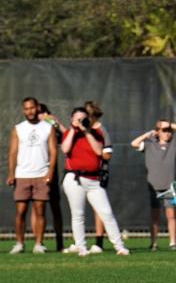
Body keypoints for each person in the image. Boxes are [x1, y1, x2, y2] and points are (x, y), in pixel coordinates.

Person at [60, 107, 129, 256]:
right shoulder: (68, 133)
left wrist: (86, 131)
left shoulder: (96, 134)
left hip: (94, 180)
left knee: (106, 213)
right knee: (78, 214)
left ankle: (119, 246)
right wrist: (73, 129)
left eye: (83, 118)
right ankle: (81, 247)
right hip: (74, 178)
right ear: (71, 120)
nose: (80, 121)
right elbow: (65, 149)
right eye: (77, 118)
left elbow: (99, 151)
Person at [6, 97, 57, 254]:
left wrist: (49, 173)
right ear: (23, 110)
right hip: (22, 175)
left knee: (40, 210)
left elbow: (53, 151)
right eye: (26, 109)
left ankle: (38, 244)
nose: (30, 111)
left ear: (37, 108)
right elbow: (13, 152)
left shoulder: (48, 127)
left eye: (32, 108)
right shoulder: (18, 128)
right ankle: (19, 244)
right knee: (20, 211)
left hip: (41, 174)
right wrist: (11, 173)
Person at [131, 118, 176, 250]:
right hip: (154, 186)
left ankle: (172, 243)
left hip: (169, 187)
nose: (167, 133)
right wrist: (147, 135)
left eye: (169, 131)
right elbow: (134, 143)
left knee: (171, 215)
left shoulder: (174, 142)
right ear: (157, 132)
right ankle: (153, 243)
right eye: (164, 131)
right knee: (154, 216)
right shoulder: (150, 144)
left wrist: (168, 124)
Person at [84, 101, 113, 254]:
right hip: (81, 173)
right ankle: (79, 242)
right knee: (78, 208)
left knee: (99, 208)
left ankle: (99, 242)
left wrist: (95, 150)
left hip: (98, 174)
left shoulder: (102, 131)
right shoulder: (82, 130)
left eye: (88, 115)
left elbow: (107, 155)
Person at [37, 104, 65, 251]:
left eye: (44, 113)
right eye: (40, 113)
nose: (42, 116)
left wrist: (55, 122)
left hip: (51, 173)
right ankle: (38, 243)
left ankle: (59, 243)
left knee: (55, 207)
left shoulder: (52, 128)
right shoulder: (30, 129)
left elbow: (66, 135)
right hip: (33, 172)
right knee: (37, 208)